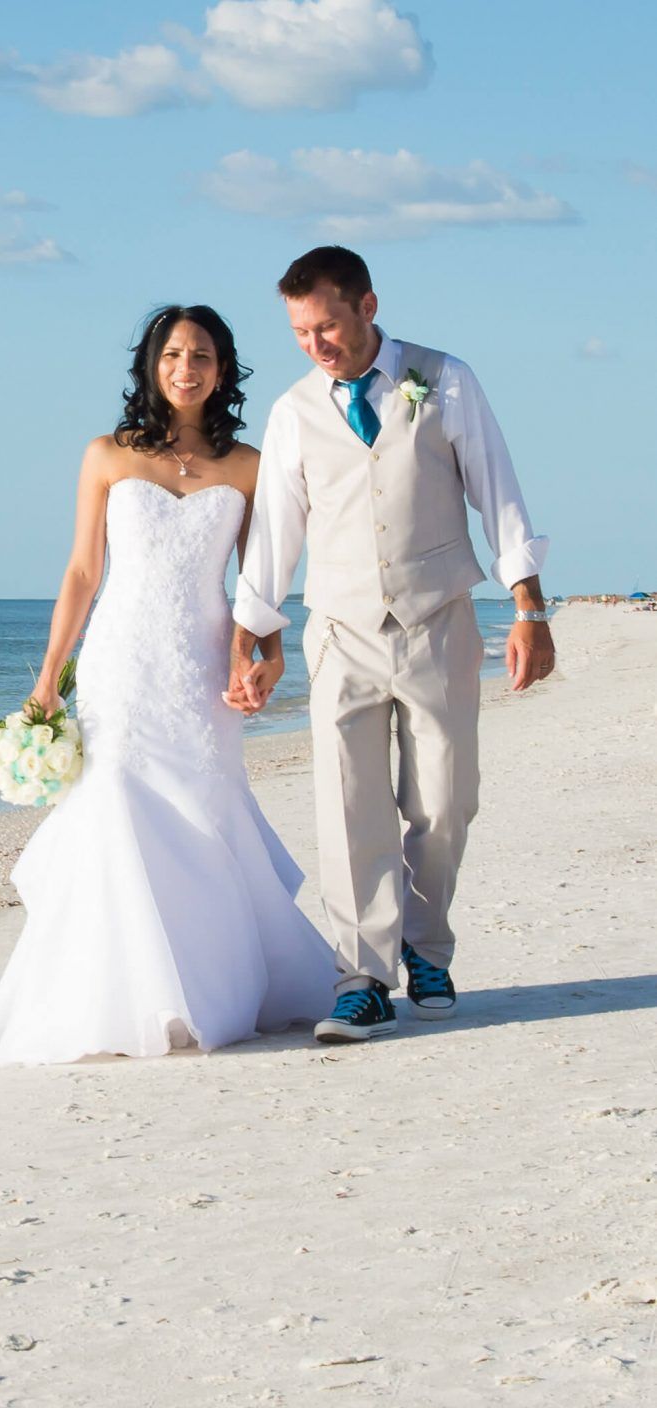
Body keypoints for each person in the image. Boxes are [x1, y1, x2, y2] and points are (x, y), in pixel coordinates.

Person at [0, 304, 333, 1065]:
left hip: (202, 670)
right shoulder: (108, 455)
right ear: (151, 365)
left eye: (201, 354)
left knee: (205, 812)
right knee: (116, 812)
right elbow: (82, 572)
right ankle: (120, 999)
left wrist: (266, 656)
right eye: (172, 354)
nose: (186, 367)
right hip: (120, 667)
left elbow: (258, 582)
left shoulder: (247, 466)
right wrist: (47, 682)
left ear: (222, 368)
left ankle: (214, 990)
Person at [227, 246, 554, 1045]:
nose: (317, 344)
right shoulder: (294, 410)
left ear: (368, 306)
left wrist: (529, 607)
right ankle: (362, 977)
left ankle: (425, 942)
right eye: (301, 332)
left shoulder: (447, 380)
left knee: (445, 798)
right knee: (349, 807)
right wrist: (252, 636)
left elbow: (497, 489)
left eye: (328, 324)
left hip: (438, 618)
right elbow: (272, 539)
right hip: (339, 630)